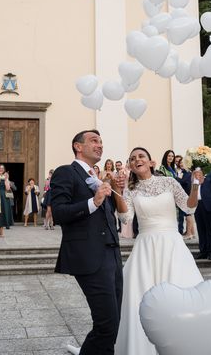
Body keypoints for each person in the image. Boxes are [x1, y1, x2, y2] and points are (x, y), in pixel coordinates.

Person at [115, 147, 211, 355]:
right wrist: (118, 191)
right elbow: (125, 218)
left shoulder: (169, 182)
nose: (137, 160)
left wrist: (196, 186)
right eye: (133, 159)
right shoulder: (131, 190)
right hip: (145, 248)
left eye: (141, 156)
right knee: (140, 297)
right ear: (131, 166)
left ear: (152, 162)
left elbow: (188, 207)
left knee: (184, 293)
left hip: (172, 245)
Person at [52, 129, 127, 355]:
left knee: (113, 322)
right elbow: (59, 213)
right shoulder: (66, 172)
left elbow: (111, 213)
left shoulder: (98, 178)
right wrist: (93, 202)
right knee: (107, 324)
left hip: (112, 254)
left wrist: (115, 192)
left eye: (102, 142)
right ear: (78, 146)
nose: (100, 145)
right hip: (89, 255)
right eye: (94, 141)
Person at [192, 168, 211, 260]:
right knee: (200, 229)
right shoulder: (194, 182)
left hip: (208, 206)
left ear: (203, 173)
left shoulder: (208, 179)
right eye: (195, 172)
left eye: (199, 172)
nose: (197, 174)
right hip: (197, 206)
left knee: (209, 229)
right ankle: (203, 251)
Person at [0, 164, 13, 236]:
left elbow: (8, 188)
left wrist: (6, 179)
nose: (1, 169)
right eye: (0, 168)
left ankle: (1, 230)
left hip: (4, 197)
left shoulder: (5, 177)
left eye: (2, 168)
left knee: (3, 212)